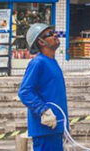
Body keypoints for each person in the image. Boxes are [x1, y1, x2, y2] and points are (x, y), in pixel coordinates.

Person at [18, 23, 67, 151]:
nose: (55, 35)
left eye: (54, 32)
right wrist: (43, 110)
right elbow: (25, 91)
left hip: (56, 126)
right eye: (50, 34)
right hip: (45, 128)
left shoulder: (52, 62)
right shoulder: (37, 63)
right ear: (41, 42)